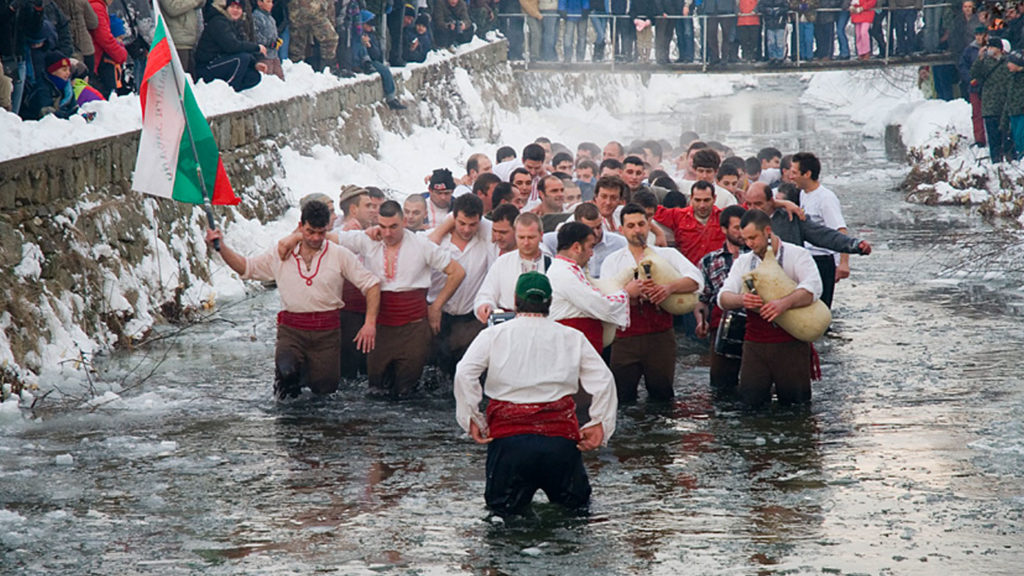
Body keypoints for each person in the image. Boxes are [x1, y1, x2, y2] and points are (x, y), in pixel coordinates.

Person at [453, 271, 618, 518]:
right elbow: (604, 380)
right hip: (559, 443)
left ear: (515, 301)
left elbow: (464, 373)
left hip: (509, 444)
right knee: (575, 517)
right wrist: (600, 424)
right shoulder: (572, 337)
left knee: (502, 520)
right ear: (550, 303)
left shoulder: (493, 335)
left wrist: (471, 418)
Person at [206, 200, 382, 399]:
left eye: (321, 233)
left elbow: (372, 284)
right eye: (310, 231)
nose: (315, 238)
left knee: (325, 395)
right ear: (301, 226)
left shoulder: (339, 255)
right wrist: (221, 248)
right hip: (292, 332)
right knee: (286, 381)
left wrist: (369, 323)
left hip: (327, 334)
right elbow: (246, 268)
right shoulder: (282, 254)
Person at [336, 200, 465, 397]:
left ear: (404, 222)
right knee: (376, 390)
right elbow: (330, 238)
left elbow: (457, 272)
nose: (388, 233)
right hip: (380, 328)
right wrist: (294, 238)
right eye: (383, 227)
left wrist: (437, 306)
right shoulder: (368, 240)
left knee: (407, 393)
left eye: (394, 227)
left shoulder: (422, 244)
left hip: (413, 328)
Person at [717, 209, 823, 408]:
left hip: (791, 343)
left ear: (767, 230)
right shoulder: (744, 262)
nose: (749, 244)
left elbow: (814, 287)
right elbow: (723, 297)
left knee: (796, 409)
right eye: (746, 239)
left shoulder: (797, 255)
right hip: (755, 345)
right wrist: (742, 300)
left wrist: (784, 303)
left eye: (753, 238)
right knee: (750, 407)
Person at [600, 204, 702, 403]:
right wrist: (628, 293)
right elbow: (605, 299)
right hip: (625, 339)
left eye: (641, 224)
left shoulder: (667, 255)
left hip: (660, 337)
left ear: (649, 226)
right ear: (622, 230)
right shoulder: (612, 261)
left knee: (663, 396)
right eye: (631, 225)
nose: (637, 230)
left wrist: (668, 288)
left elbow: (697, 280)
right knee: (622, 399)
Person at [425, 194, 497, 376]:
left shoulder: (485, 240)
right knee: (433, 373)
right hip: (437, 314)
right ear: (453, 218)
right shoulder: (435, 240)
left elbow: (497, 225)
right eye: (461, 223)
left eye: (472, 225)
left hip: (469, 318)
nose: (466, 229)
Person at [548, 221, 640, 353]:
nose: (592, 254)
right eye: (590, 247)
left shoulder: (568, 269)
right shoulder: (563, 273)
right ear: (577, 248)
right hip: (573, 346)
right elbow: (599, 305)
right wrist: (627, 293)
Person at [788, 152, 850, 309]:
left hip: (822, 260)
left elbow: (840, 230)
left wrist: (843, 263)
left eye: (794, 172)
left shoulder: (826, 198)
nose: (790, 176)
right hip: (805, 258)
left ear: (807, 174)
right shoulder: (803, 194)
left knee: (819, 308)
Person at [696, 205, 747, 393]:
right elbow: (702, 299)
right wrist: (701, 321)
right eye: (737, 228)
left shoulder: (759, 256)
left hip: (755, 327)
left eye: (745, 227)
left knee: (755, 385)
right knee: (720, 387)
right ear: (724, 229)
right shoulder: (709, 261)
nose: (742, 232)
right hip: (722, 329)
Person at [474, 212, 549, 323]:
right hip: (507, 325)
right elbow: (486, 294)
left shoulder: (552, 264)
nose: (526, 242)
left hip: (543, 325)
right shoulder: (502, 262)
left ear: (541, 236)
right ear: (515, 236)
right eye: (521, 237)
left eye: (531, 237)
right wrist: (484, 306)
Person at [194, 0, 264, 92]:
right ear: (226, 8)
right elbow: (232, 46)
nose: (235, 10)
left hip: (222, 63)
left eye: (238, 8)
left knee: (254, 76)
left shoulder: (236, 24)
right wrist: (257, 47)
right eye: (232, 7)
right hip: (207, 66)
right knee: (242, 59)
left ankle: (232, 93)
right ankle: (229, 91)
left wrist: (255, 63)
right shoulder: (219, 22)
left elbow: (241, 47)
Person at [654, 180, 725, 266]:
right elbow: (647, 211)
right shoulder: (679, 215)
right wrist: (658, 232)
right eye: (697, 200)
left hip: (718, 273)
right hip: (690, 272)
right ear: (691, 198)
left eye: (706, 200)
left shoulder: (723, 217)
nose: (702, 205)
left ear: (714, 198)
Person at [972, 37, 1012, 163]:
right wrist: (979, 59)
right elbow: (974, 74)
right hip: (989, 106)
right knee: (993, 137)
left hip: (1004, 106)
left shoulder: (1008, 62)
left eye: (992, 47)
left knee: (1007, 137)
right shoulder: (984, 63)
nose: (989, 49)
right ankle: (996, 162)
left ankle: (1011, 161)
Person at [357, 10, 406, 110]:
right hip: (362, 61)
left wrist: (370, 46)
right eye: (368, 24)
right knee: (385, 71)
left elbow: (377, 54)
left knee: (385, 69)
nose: (371, 27)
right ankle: (391, 99)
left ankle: (392, 96)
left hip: (373, 60)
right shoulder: (357, 35)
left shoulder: (372, 35)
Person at [21, 51, 78, 120]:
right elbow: (45, 111)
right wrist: (66, 115)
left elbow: (73, 106)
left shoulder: (67, 87)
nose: (68, 73)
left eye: (69, 70)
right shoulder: (42, 87)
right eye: (64, 70)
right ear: (53, 71)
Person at [88, 0, 128, 98]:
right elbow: (103, 37)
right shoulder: (97, 7)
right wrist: (120, 53)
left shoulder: (98, 5)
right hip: (97, 58)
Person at [159, 0, 204, 75]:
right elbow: (172, 8)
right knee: (181, 78)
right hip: (177, 41)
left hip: (189, 39)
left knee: (191, 78)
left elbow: (199, 5)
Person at [253, 0, 284, 79]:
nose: (271, 5)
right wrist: (271, 43)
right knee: (267, 80)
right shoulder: (256, 17)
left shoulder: (270, 17)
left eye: (272, 2)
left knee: (280, 79)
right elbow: (257, 38)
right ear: (260, 2)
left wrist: (277, 41)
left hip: (274, 55)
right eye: (268, 2)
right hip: (263, 56)